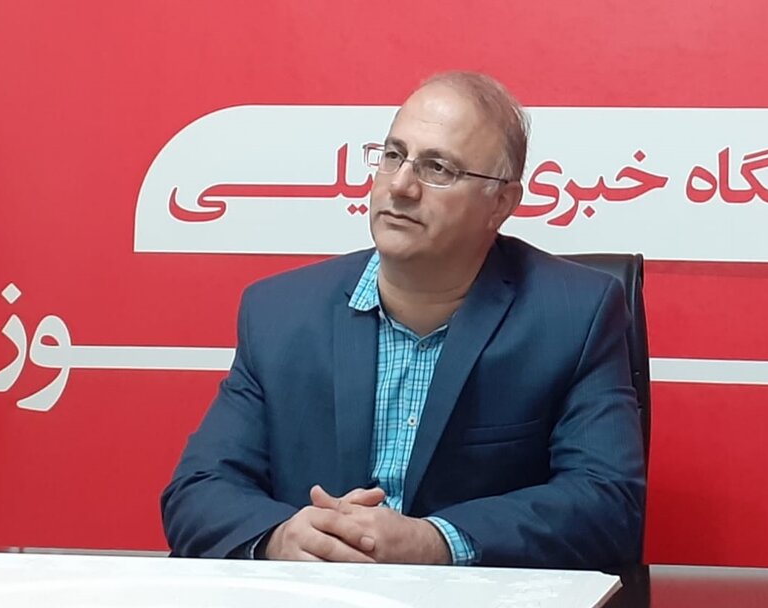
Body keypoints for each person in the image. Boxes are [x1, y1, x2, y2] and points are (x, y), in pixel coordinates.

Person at [161, 71, 645, 569]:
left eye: (438, 168)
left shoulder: (574, 314)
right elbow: (198, 490)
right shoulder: (280, 313)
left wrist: (435, 541)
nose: (401, 185)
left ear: (501, 203)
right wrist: (282, 537)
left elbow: (607, 504)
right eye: (393, 156)